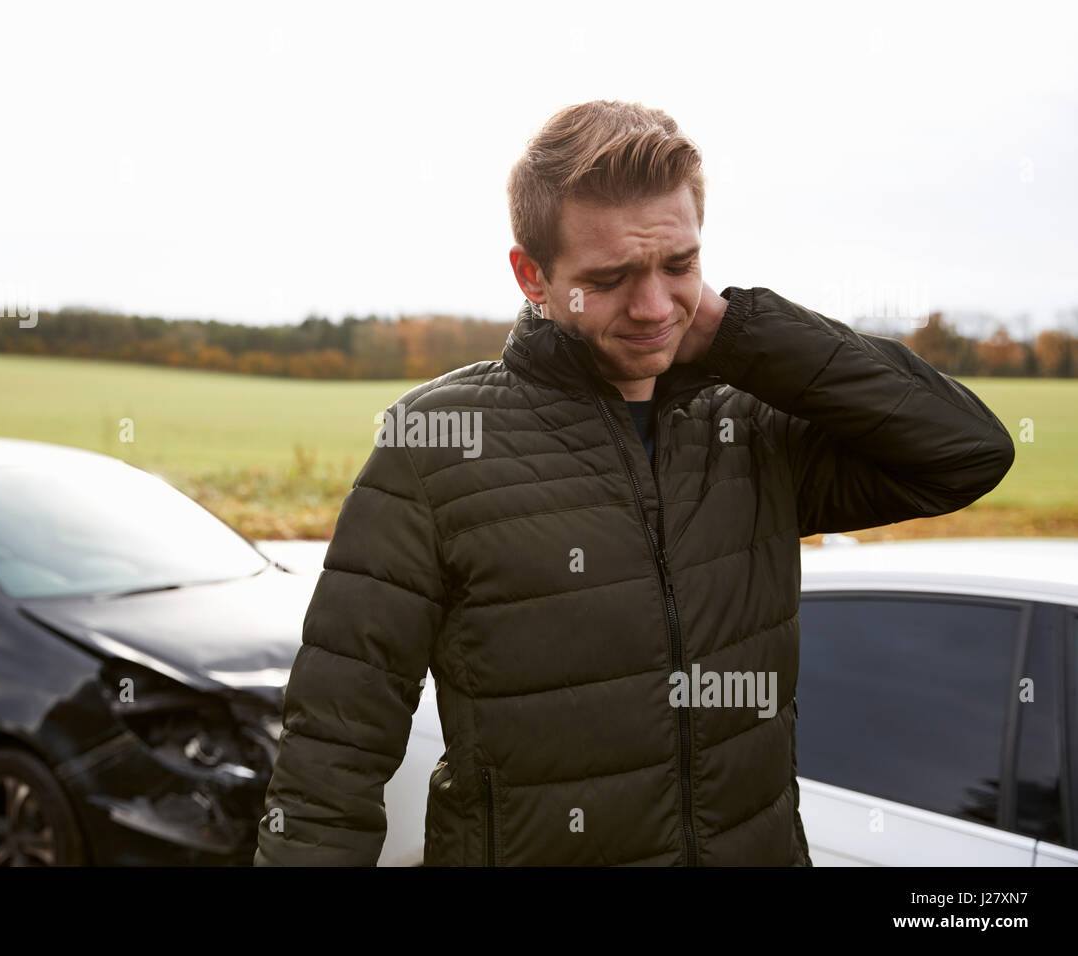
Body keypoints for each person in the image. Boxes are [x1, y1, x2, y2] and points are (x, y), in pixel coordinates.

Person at [253, 99, 1015, 866]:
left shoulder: (751, 425)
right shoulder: (435, 447)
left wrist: (736, 330)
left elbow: (966, 451)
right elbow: (331, 757)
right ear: (533, 276)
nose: (654, 308)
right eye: (612, 277)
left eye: (678, 264)